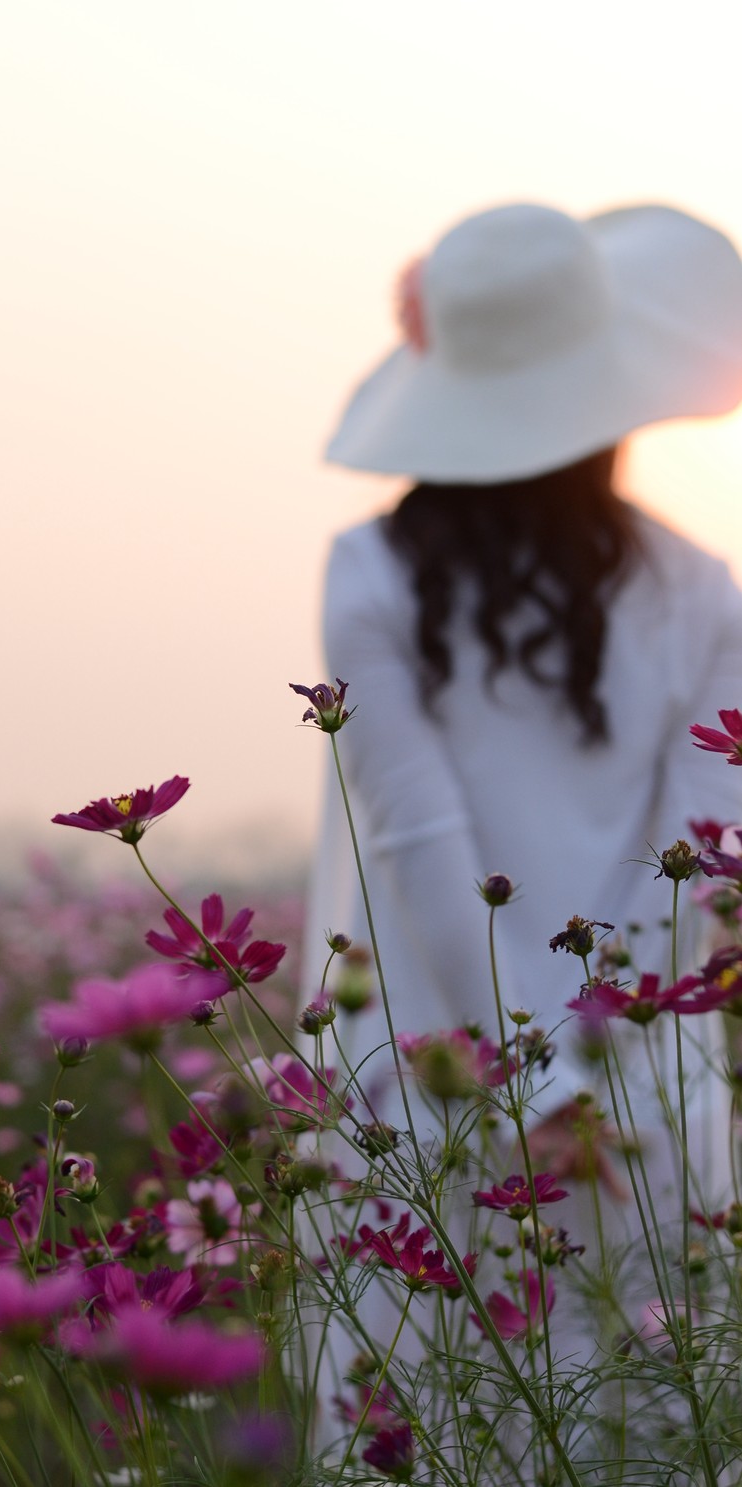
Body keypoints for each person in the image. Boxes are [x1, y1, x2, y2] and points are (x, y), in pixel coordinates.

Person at [303, 200, 742, 1160]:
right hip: (647, 1092)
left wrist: (533, 1090)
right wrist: (583, 1072)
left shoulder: (368, 574)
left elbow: (418, 840)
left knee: (439, 1310)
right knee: (674, 1318)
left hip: (437, 1093)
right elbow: (699, 857)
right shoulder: (705, 590)